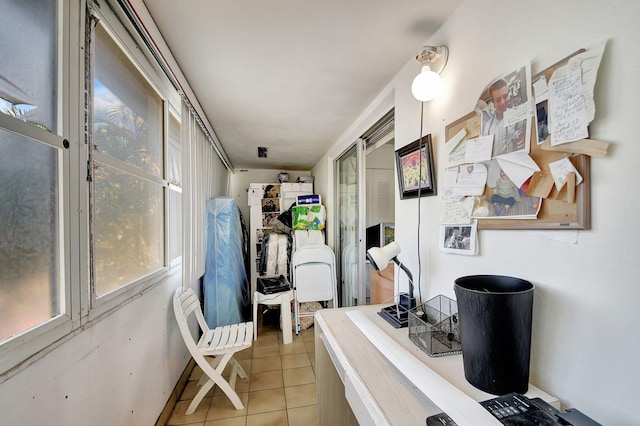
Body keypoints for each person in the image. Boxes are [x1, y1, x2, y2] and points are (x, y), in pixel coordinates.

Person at [482, 78, 516, 157]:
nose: (503, 102)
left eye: (505, 96)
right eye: (498, 100)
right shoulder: (488, 126)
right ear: (493, 102)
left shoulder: (516, 116)